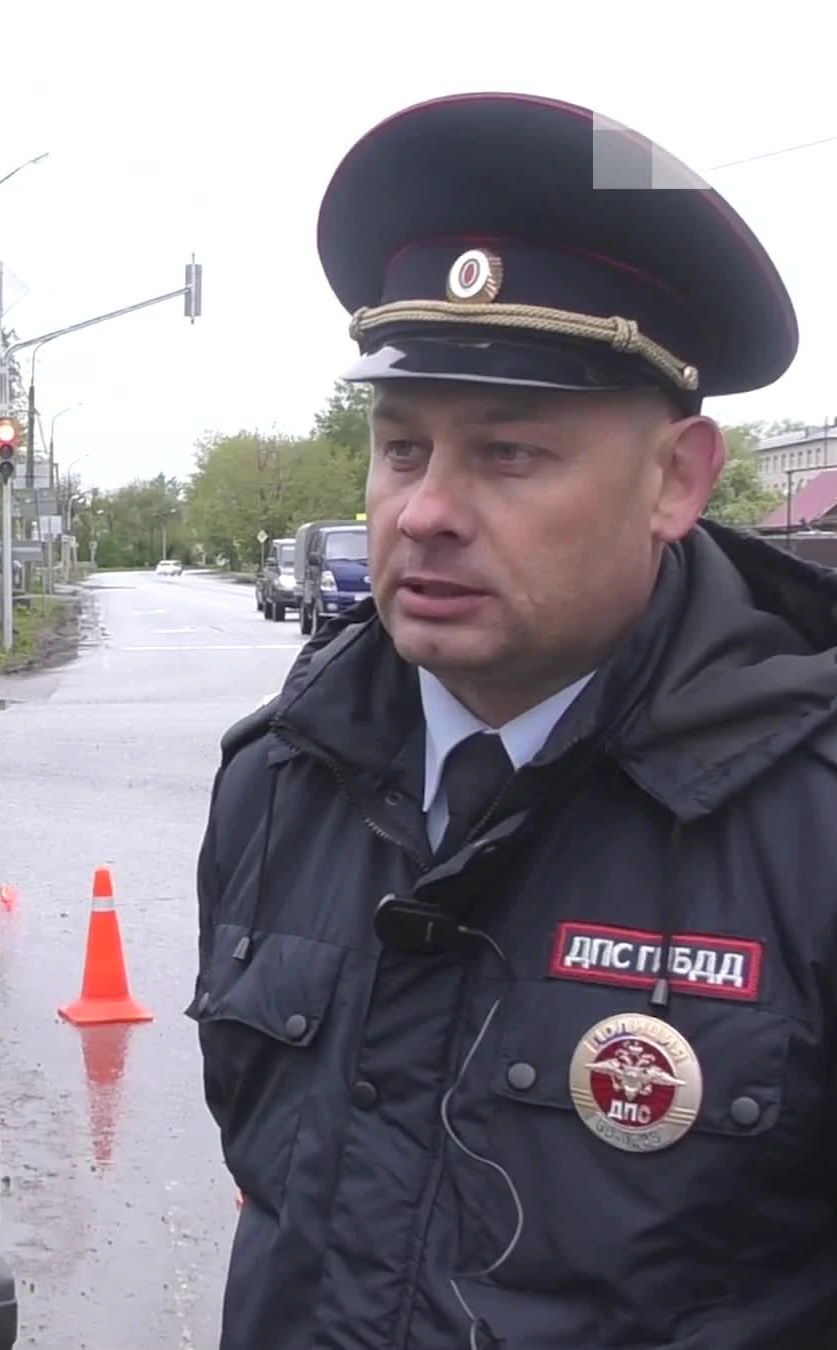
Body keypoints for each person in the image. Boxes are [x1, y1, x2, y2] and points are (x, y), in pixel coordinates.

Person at [189, 91, 837, 1350]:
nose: (424, 509)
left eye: (509, 455)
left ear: (675, 480)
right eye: (401, 447)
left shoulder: (808, 823)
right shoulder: (279, 782)